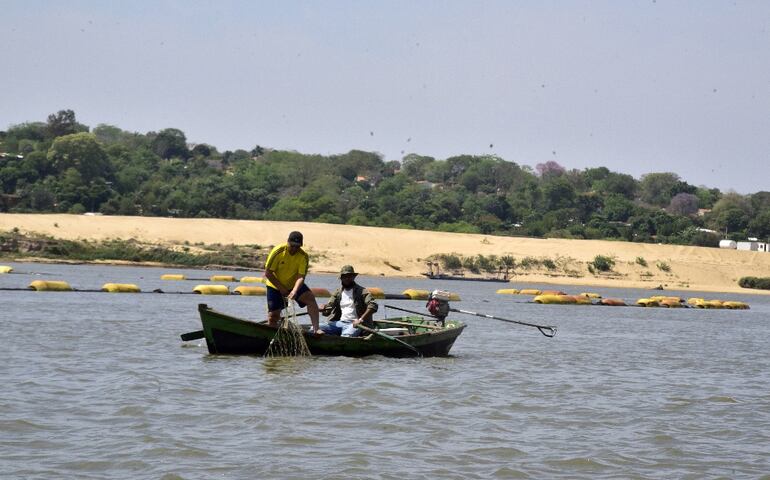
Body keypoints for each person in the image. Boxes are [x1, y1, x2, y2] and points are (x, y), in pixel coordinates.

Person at [263, 231, 321, 334]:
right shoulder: (278, 251)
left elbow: (301, 277)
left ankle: (316, 329)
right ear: (287, 242)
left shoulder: (303, 256)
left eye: (297, 247)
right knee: (273, 316)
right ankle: (272, 336)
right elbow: (268, 273)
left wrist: (294, 291)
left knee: (310, 299)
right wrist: (281, 289)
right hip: (275, 286)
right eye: (292, 246)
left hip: (293, 285)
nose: (294, 249)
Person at [319, 265, 378, 337]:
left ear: (353, 277)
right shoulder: (337, 293)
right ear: (341, 278)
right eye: (344, 276)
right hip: (339, 323)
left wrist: (360, 320)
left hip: (355, 324)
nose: (347, 278)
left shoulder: (362, 291)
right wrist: (323, 308)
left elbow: (373, 306)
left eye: (349, 276)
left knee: (346, 336)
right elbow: (328, 311)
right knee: (315, 328)